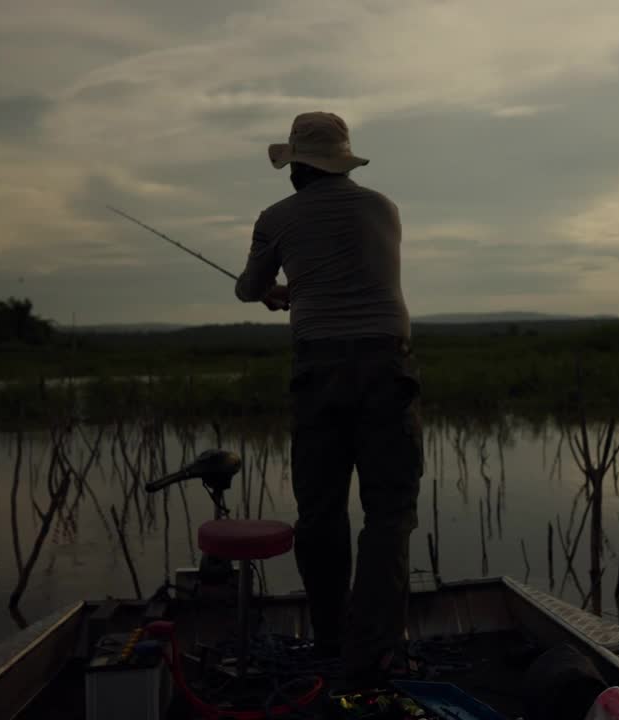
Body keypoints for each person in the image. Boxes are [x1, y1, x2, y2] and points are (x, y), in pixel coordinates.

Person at [234, 111, 423, 684]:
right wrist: (300, 287)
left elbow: (247, 289)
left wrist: (275, 292)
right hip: (386, 363)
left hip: (318, 368)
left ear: (295, 168)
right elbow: (357, 270)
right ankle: (376, 650)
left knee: (321, 511)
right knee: (389, 514)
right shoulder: (382, 208)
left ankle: (329, 638)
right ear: (342, 162)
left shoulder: (276, 218)